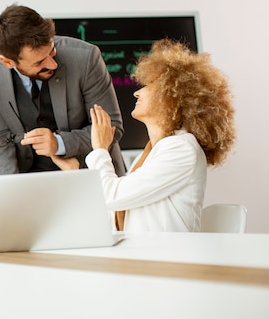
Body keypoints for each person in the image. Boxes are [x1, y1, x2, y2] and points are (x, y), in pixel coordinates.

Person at [52, 39, 236, 232]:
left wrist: (100, 149)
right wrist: (76, 174)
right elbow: (116, 211)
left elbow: (113, 196)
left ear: (170, 96)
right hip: (141, 254)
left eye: (148, 85)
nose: (137, 93)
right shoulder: (151, 152)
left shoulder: (182, 149)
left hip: (166, 259)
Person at [0, 4, 126, 175]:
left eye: (52, 51)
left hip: (88, 172)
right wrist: (12, 191)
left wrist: (59, 143)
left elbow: (111, 126)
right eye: (39, 62)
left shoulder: (86, 58)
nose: (52, 64)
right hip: (28, 178)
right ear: (8, 62)